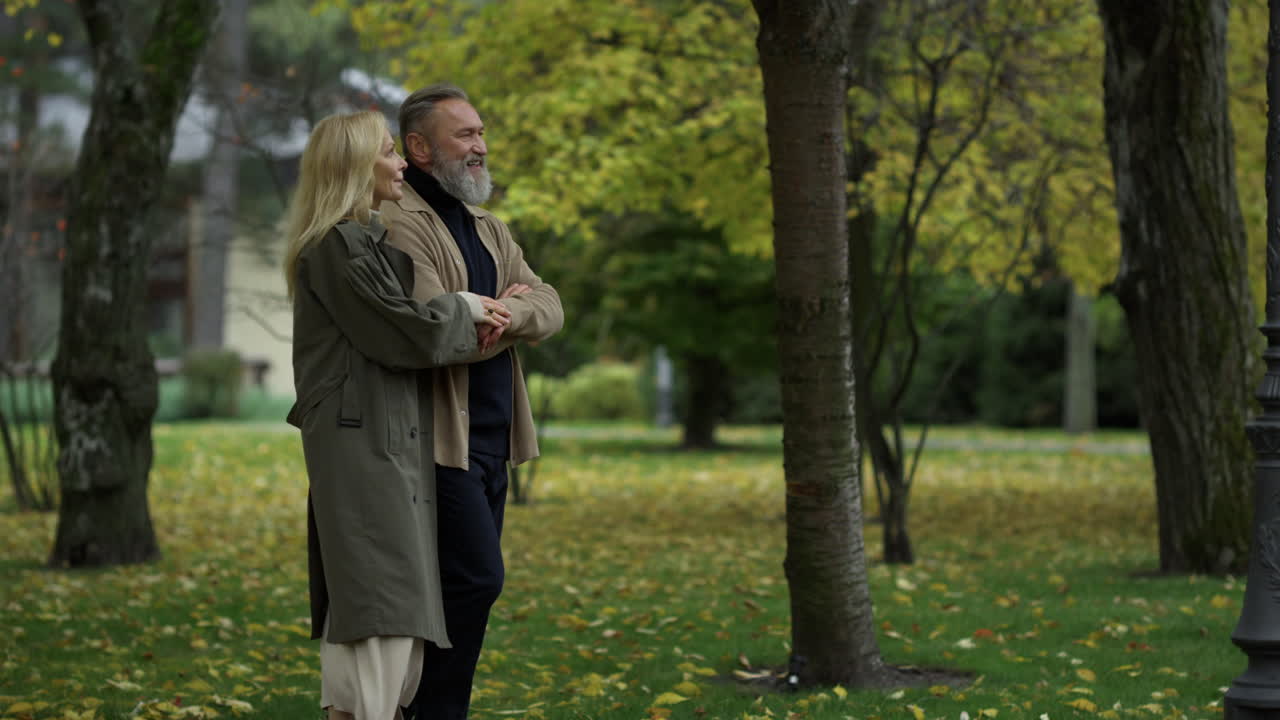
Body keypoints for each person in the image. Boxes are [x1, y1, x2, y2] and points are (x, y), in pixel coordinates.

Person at [282, 109, 515, 720]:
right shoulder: (335, 247)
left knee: (389, 614)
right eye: (388, 152)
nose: (401, 164)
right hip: (364, 452)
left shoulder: (361, 242)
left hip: (387, 445)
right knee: (380, 613)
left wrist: (464, 309)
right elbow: (404, 332)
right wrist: (467, 306)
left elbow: (407, 323)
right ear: (355, 166)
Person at [381, 84, 564, 720]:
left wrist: (500, 315)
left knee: (463, 587)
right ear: (419, 147)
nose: (481, 146)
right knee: (474, 580)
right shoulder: (400, 220)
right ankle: (428, 710)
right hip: (437, 439)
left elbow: (549, 305)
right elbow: (436, 330)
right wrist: (503, 316)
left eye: (481, 132)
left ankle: (425, 709)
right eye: (465, 134)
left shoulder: (487, 225)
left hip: (492, 437)